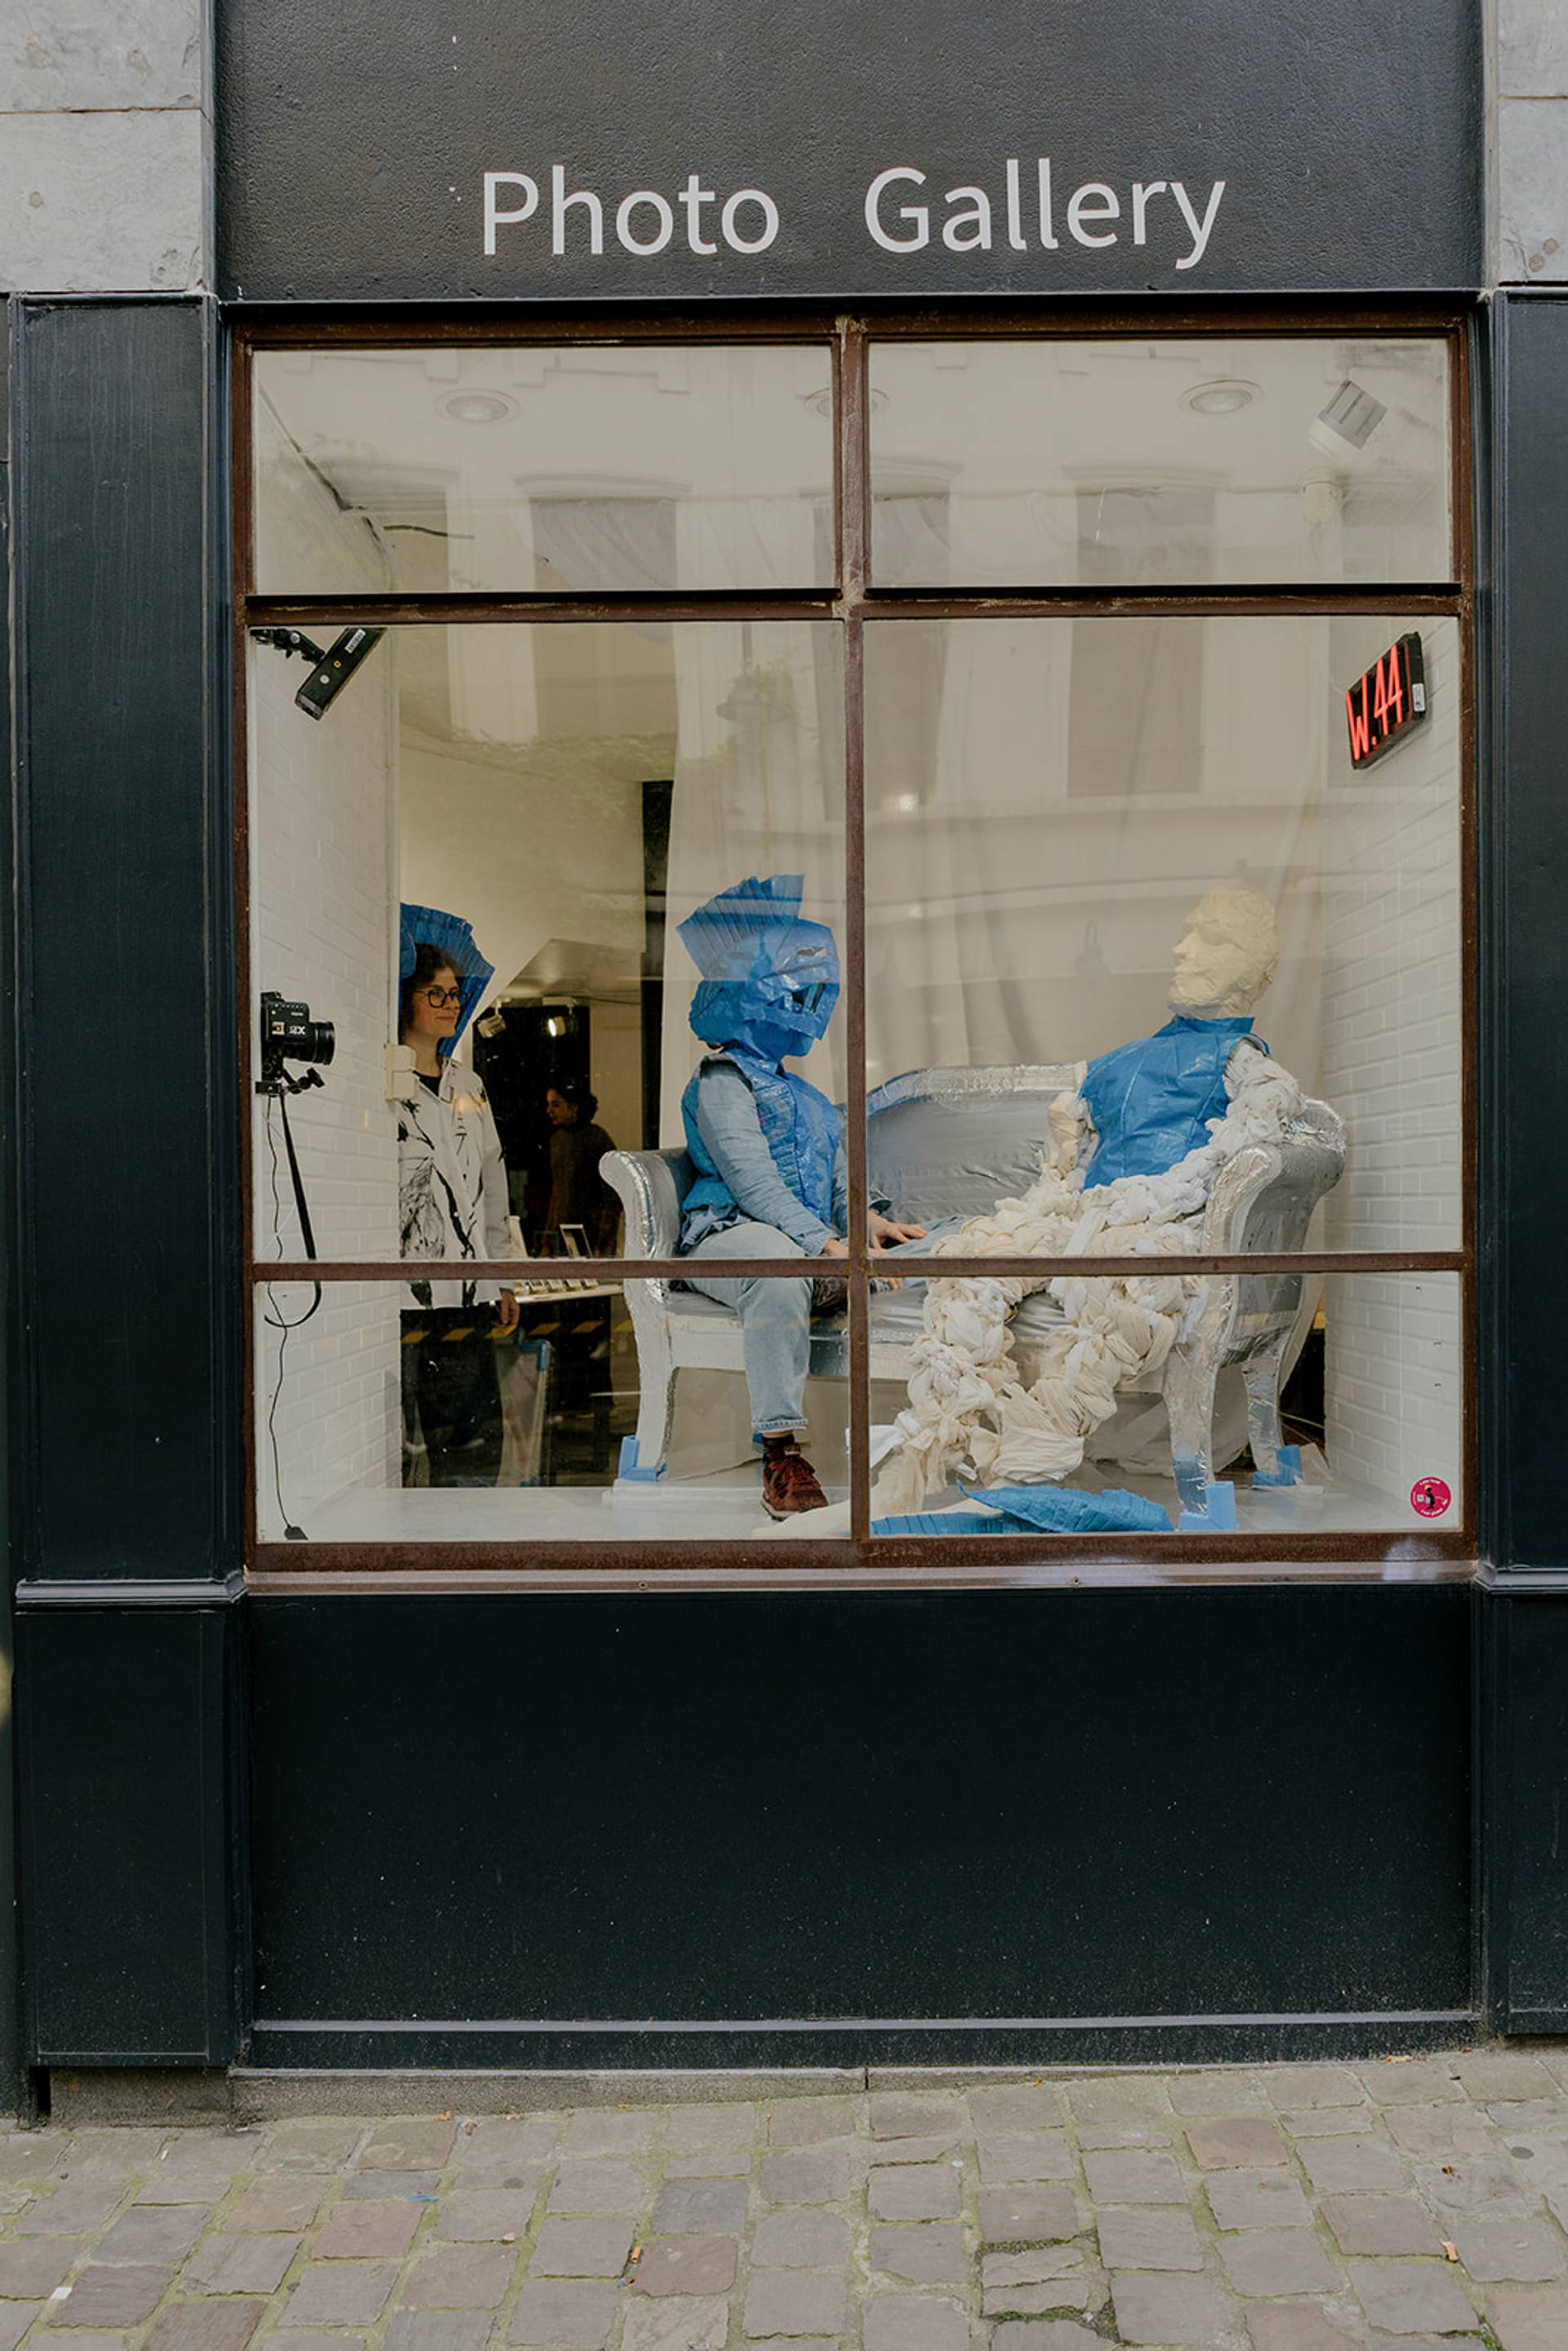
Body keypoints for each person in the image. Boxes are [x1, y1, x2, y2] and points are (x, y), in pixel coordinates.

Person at [675, 874, 924, 1519]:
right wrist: (824, 1244)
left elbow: (838, 1179)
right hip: (728, 1233)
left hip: (806, 1239)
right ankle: (780, 1452)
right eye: (797, 992)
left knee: (934, 1248)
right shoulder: (722, 1081)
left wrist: (864, 1223)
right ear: (756, 996)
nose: (810, 1006)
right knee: (781, 1269)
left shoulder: (808, 1098)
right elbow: (753, 1181)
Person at [397, 905, 519, 1485]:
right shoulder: (384, 1083)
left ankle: (467, 1533)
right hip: (400, 1296)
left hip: (467, 1290)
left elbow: (493, 1184)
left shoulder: (469, 1085)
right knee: (401, 1443)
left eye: (453, 994)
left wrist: (502, 1276)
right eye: (435, 994)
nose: (449, 1005)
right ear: (405, 999)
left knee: (471, 1443)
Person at [544, 1080, 620, 1253]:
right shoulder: (558, 1140)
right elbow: (557, 1193)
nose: (549, 1111)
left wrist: (604, 1243)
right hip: (562, 1234)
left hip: (592, 1235)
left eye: (556, 1105)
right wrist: (547, 1240)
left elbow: (612, 1197)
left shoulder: (597, 1139)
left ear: (574, 1107)